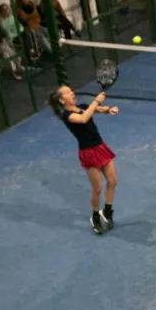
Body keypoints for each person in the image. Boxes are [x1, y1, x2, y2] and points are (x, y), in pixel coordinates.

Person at [49, 85, 119, 235]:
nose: (72, 93)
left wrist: (109, 109)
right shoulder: (67, 116)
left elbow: (98, 110)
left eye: (71, 90)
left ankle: (107, 212)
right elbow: (83, 118)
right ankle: (95, 217)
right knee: (97, 188)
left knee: (112, 181)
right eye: (67, 92)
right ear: (62, 100)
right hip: (88, 152)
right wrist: (96, 101)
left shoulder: (83, 106)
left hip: (100, 146)